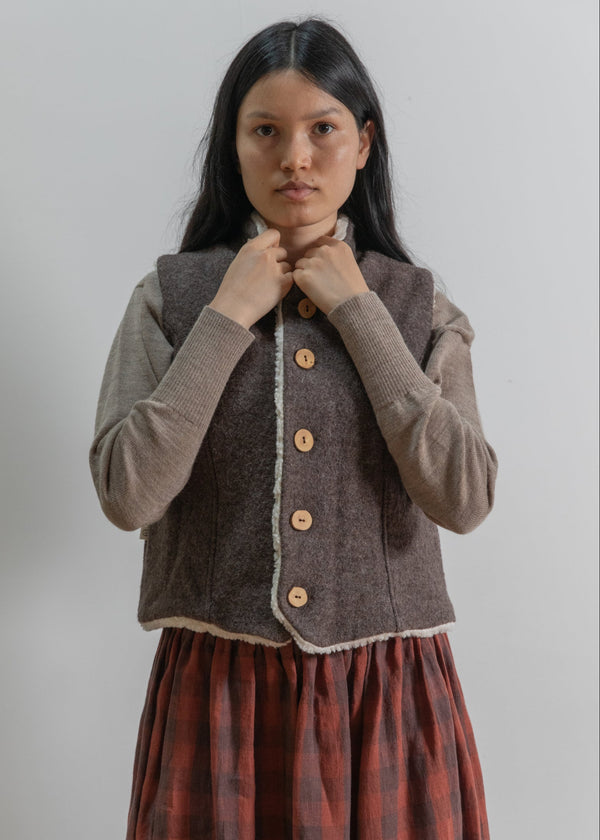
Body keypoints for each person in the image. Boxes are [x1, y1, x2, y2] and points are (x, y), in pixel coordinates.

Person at [90, 17, 498, 840]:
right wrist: (226, 317)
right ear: (232, 146)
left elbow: (465, 497)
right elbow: (127, 493)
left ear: (364, 141)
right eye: (265, 131)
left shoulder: (419, 307)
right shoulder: (170, 299)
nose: (296, 158)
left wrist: (362, 315)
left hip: (388, 694)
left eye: (323, 129)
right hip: (219, 698)